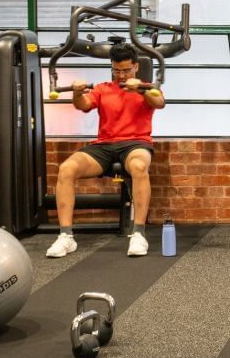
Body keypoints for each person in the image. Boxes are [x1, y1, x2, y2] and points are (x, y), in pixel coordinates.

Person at [46, 42, 166, 258]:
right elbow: (83, 105)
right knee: (66, 169)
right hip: (104, 145)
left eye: (126, 70)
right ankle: (65, 237)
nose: (121, 75)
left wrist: (138, 87)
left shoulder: (147, 87)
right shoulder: (103, 89)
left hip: (135, 143)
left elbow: (158, 102)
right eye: (117, 70)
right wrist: (76, 92)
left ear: (136, 67)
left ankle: (138, 234)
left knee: (139, 166)